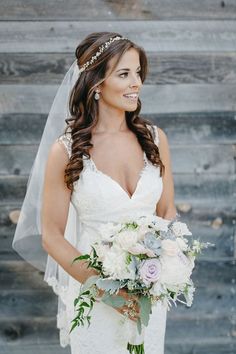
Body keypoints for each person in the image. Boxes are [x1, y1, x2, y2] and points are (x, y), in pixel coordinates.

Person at [13, 32, 177, 354]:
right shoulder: (67, 151)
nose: (137, 83)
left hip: (148, 295)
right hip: (95, 296)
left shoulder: (156, 140)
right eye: (124, 74)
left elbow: (167, 211)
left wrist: (167, 265)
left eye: (138, 73)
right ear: (97, 84)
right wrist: (111, 294)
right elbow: (52, 236)